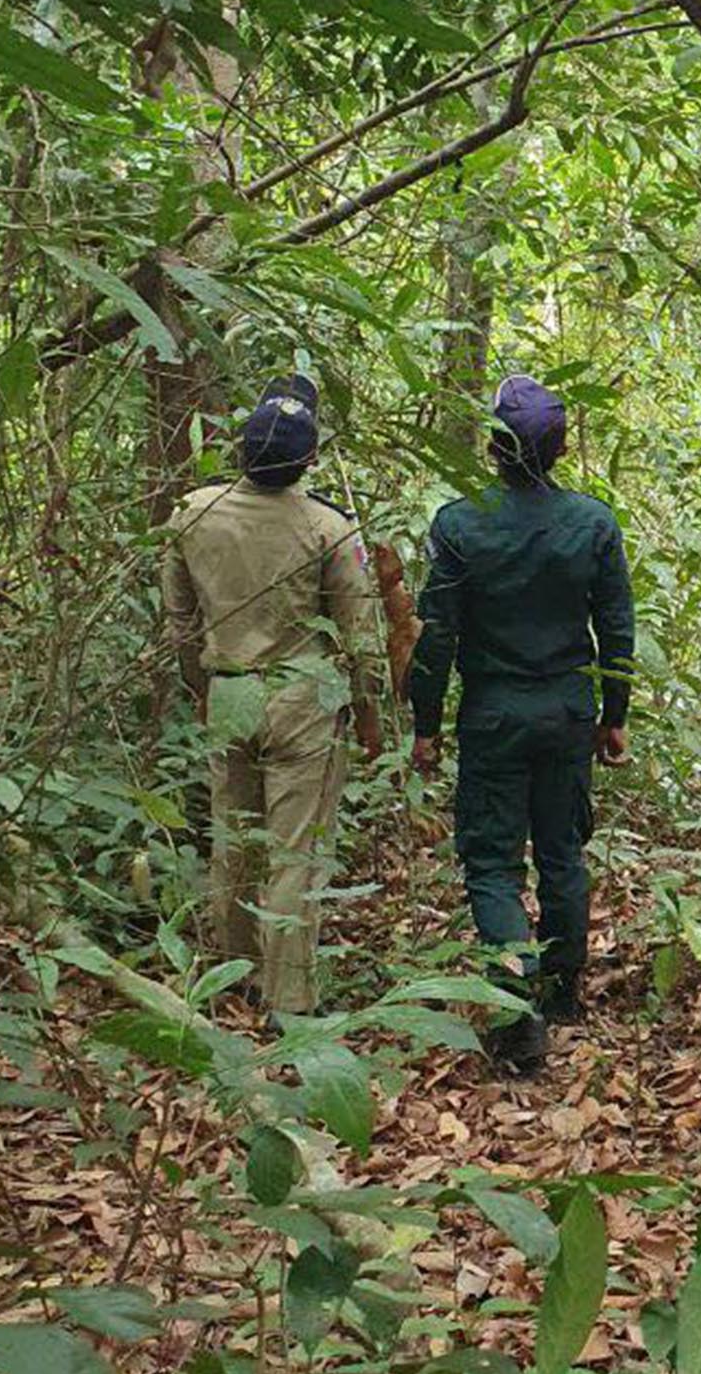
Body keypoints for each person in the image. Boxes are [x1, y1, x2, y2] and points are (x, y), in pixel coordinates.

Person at [406, 375, 635, 1078]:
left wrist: (425, 724)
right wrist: (614, 717)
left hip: (494, 715)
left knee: (494, 863)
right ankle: (561, 990)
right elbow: (615, 626)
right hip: (567, 712)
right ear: (561, 450)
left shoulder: (459, 524)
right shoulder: (591, 523)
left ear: (494, 450)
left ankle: (517, 1009)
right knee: (562, 849)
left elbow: (436, 633)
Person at [162, 374, 382, 1017]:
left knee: (235, 838)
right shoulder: (328, 529)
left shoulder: (192, 514)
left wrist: (203, 688)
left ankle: (233, 977)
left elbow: (179, 624)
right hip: (301, 701)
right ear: (307, 462)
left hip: (228, 694)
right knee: (294, 853)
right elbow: (358, 635)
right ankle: (289, 998)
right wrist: (366, 713)